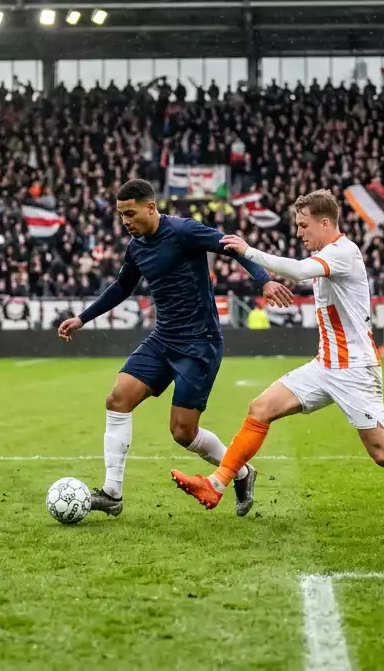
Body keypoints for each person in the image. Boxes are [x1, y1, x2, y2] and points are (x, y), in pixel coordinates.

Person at [171, 190, 384, 530]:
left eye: (304, 225)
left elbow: (299, 271)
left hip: (355, 370)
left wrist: (249, 251)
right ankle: (216, 485)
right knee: (260, 408)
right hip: (325, 365)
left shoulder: (342, 252)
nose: (299, 232)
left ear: (325, 223)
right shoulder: (328, 253)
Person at [57, 179, 293, 518]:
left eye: (131, 213)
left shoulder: (183, 231)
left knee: (183, 432)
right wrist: (83, 318)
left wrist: (264, 279)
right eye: (121, 215)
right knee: (118, 398)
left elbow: (232, 246)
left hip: (200, 344)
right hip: (163, 339)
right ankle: (112, 493)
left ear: (151, 208)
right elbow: (123, 286)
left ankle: (241, 472)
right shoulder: (136, 246)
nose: (126, 221)